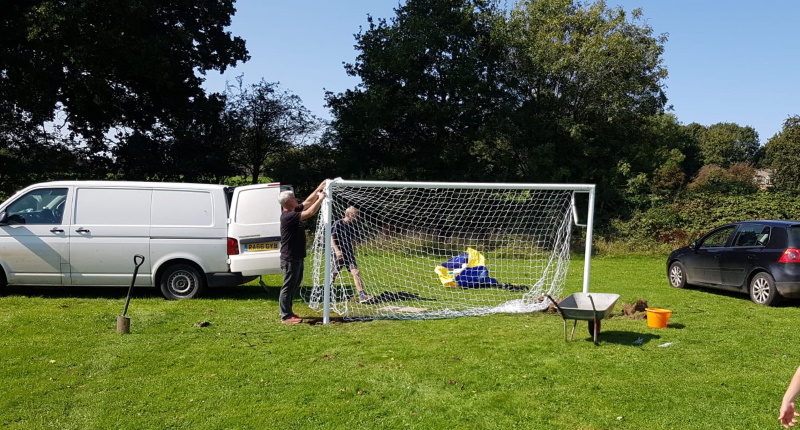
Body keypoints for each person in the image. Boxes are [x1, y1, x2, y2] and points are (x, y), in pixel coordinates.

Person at [277, 180, 327, 324]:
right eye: (293, 198)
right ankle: (286, 315)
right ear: (288, 202)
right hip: (290, 258)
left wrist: (319, 187)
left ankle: (289, 311)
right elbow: (310, 212)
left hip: (297, 256)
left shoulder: (293, 210)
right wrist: (321, 198)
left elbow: (307, 202)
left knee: (294, 284)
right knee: (288, 286)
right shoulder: (288, 216)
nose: (296, 199)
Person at [330, 206, 371, 303]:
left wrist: (353, 249)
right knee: (334, 274)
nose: (356, 217)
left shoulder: (352, 225)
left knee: (356, 272)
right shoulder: (338, 224)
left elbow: (353, 240)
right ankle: (328, 292)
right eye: (355, 215)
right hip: (338, 254)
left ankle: (361, 295)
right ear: (348, 215)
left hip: (349, 253)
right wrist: (337, 250)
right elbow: (331, 238)